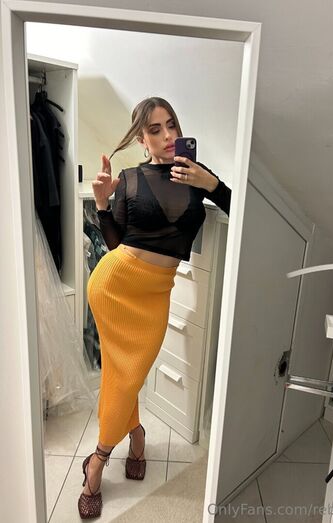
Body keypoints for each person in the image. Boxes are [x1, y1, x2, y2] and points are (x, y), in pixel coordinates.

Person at [78, 96, 231, 519]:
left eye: (171, 125)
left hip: (156, 294)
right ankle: (100, 460)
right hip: (114, 286)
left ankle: (136, 435)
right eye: (155, 130)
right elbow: (115, 243)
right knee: (122, 377)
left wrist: (211, 184)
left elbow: (242, 210)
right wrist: (103, 203)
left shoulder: (196, 174)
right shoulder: (130, 178)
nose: (167, 136)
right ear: (142, 140)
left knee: (126, 375)